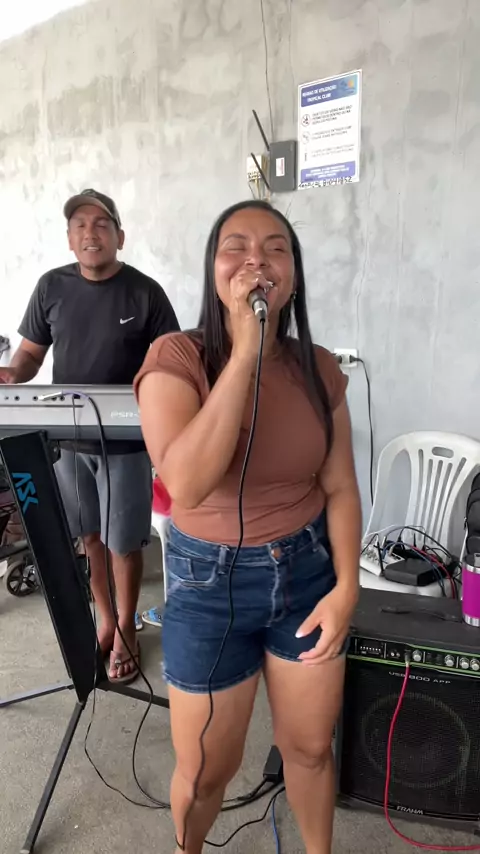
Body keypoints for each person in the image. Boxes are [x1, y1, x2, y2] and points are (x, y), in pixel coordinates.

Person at [134, 199, 361, 854]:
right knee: (208, 770)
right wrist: (244, 355)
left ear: (293, 277)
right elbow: (187, 483)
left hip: (308, 574)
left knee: (310, 749)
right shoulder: (176, 358)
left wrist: (348, 587)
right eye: (236, 245)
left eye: (276, 248)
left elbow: (340, 486)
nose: (256, 259)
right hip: (208, 584)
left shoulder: (318, 367)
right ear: (213, 270)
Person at [0, 188, 179, 684]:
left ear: (120, 236)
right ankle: (106, 619)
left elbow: (172, 359)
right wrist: (12, 374)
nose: (90, 233)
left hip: (126, 443)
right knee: (90, 537)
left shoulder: (145, 293)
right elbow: (30, 354)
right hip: (69, 438)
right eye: (79, 225)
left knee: (123, 542)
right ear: (69, 239)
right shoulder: (51, 287)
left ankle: (127, 628)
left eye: (101, 224)